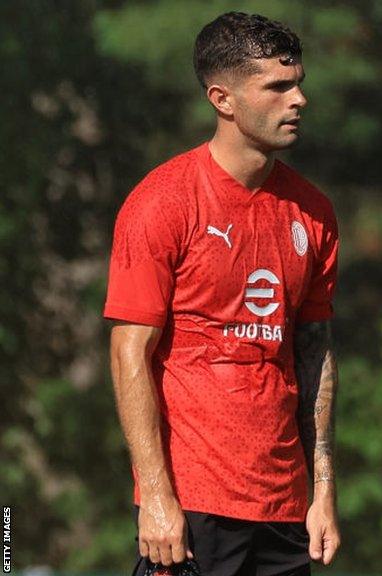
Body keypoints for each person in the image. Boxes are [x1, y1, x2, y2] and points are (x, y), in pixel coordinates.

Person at [104, 12, 341, 575]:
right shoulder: (162, 202)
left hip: (286, 507)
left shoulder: (315, 213)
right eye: (278, 86)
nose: (299, 98)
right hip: (193, 506)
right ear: (223, 99)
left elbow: (315, 356)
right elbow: (127, 352)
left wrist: (323, 488)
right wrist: (156, 497)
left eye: (299, 82)